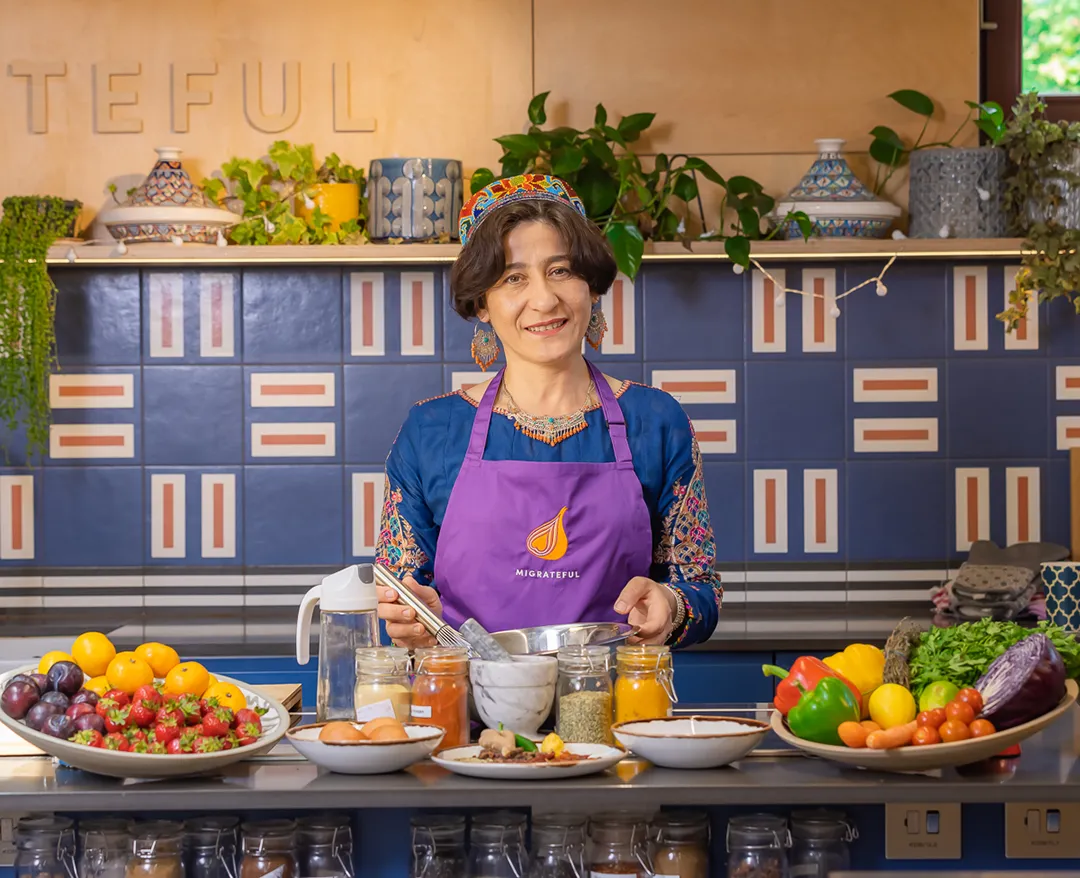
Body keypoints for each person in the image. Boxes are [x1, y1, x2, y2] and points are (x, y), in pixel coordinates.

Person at [375, 173, 722, 649]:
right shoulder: (431, 431)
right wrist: (410, 620)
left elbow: (700, 587)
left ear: (591, 287)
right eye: (513, 278)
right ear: (481, 303)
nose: (544, 299)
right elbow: (394, 597)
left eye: (561, 270)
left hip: (618, 710)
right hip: (468, 711)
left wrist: (672, 605)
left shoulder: (657, 421)